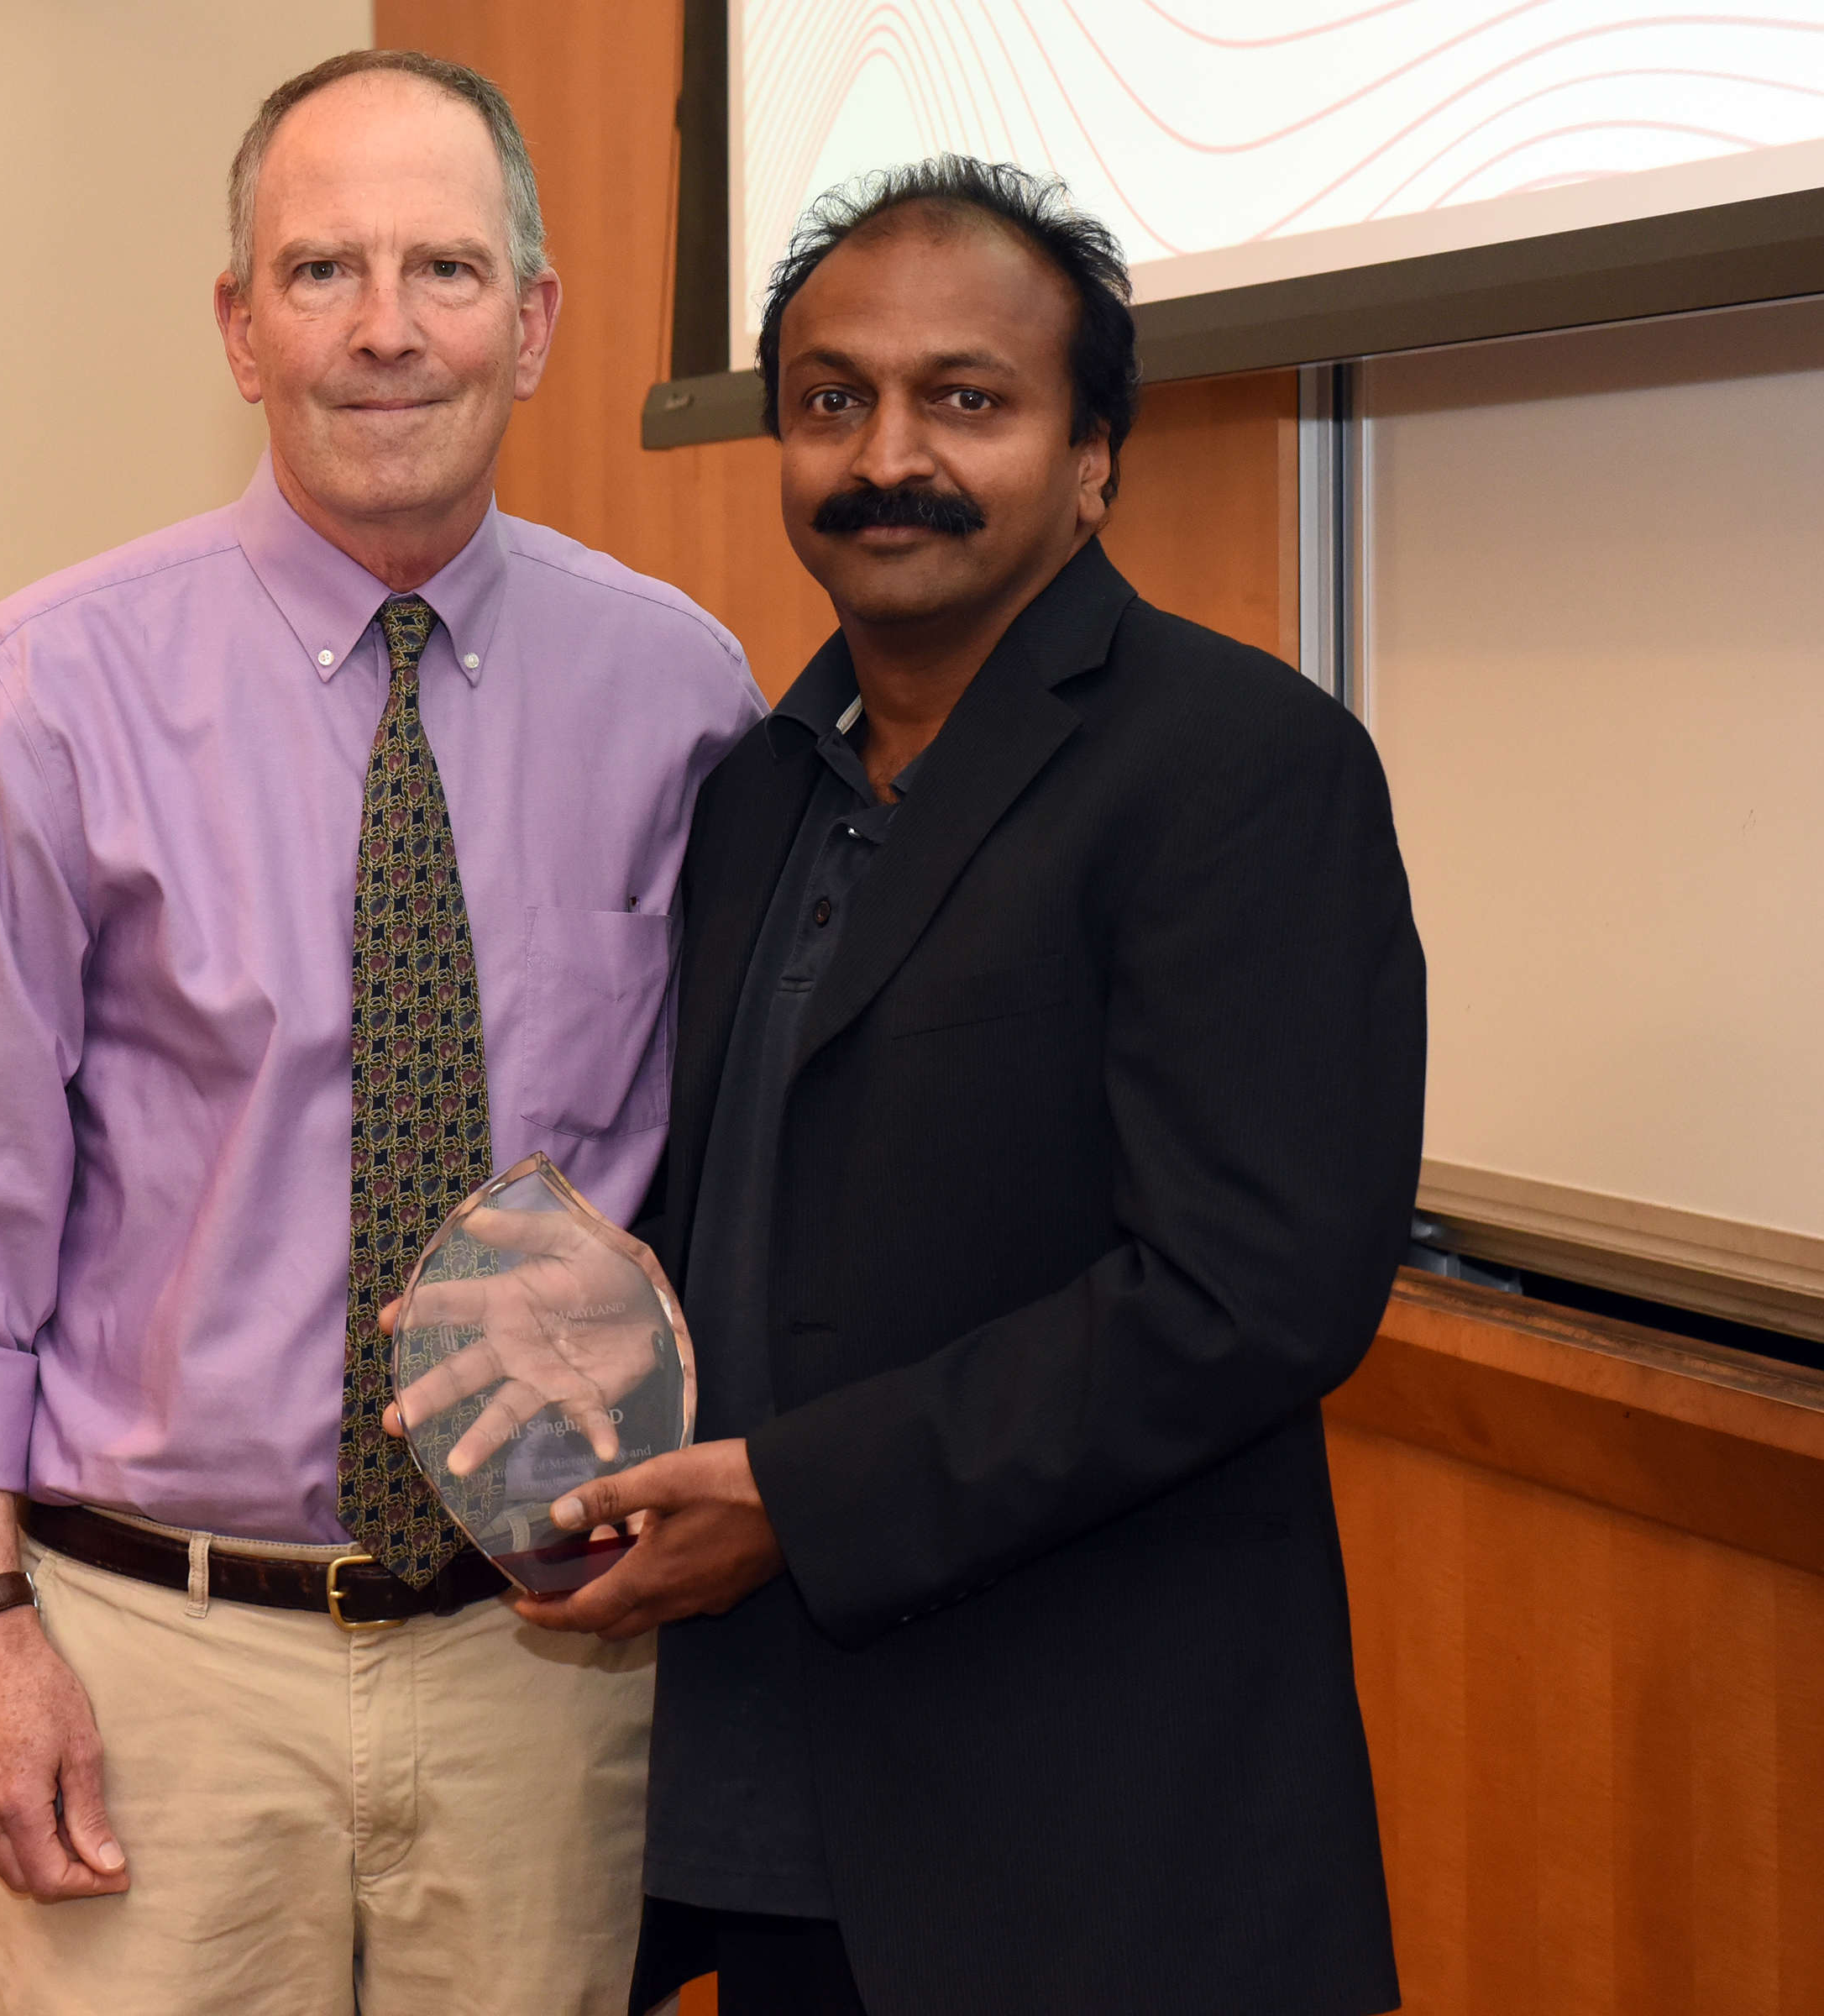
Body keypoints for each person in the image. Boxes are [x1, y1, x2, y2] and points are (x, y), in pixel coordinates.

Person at [0, 49, 763, 2016]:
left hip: (549, 1660)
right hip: (152, 1661)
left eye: (445, 270)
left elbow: (742, 1167)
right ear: (240, 328)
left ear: (533, 325)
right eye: (323, 270)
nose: (384, 329)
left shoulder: (687, 696)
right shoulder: (48, 689)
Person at [511, 160, 1426, 2016]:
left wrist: (801, 1497)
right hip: (770, 1807)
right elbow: (766, 1212)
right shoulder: (756, 790)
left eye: (967, 399)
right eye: (831, 399)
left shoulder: (1243, 765)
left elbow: (1252, 1293)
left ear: (1093, 458)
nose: (886, 455)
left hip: (1094, 1851)